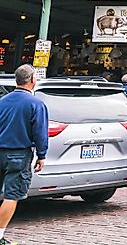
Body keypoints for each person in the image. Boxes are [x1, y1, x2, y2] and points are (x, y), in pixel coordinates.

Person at [0, 65, 48, 245]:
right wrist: (42, 155)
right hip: (18, 154)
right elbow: (40, 133)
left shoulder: (3, 100)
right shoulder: (36, 104)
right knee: (11, 196)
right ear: (33, 80)